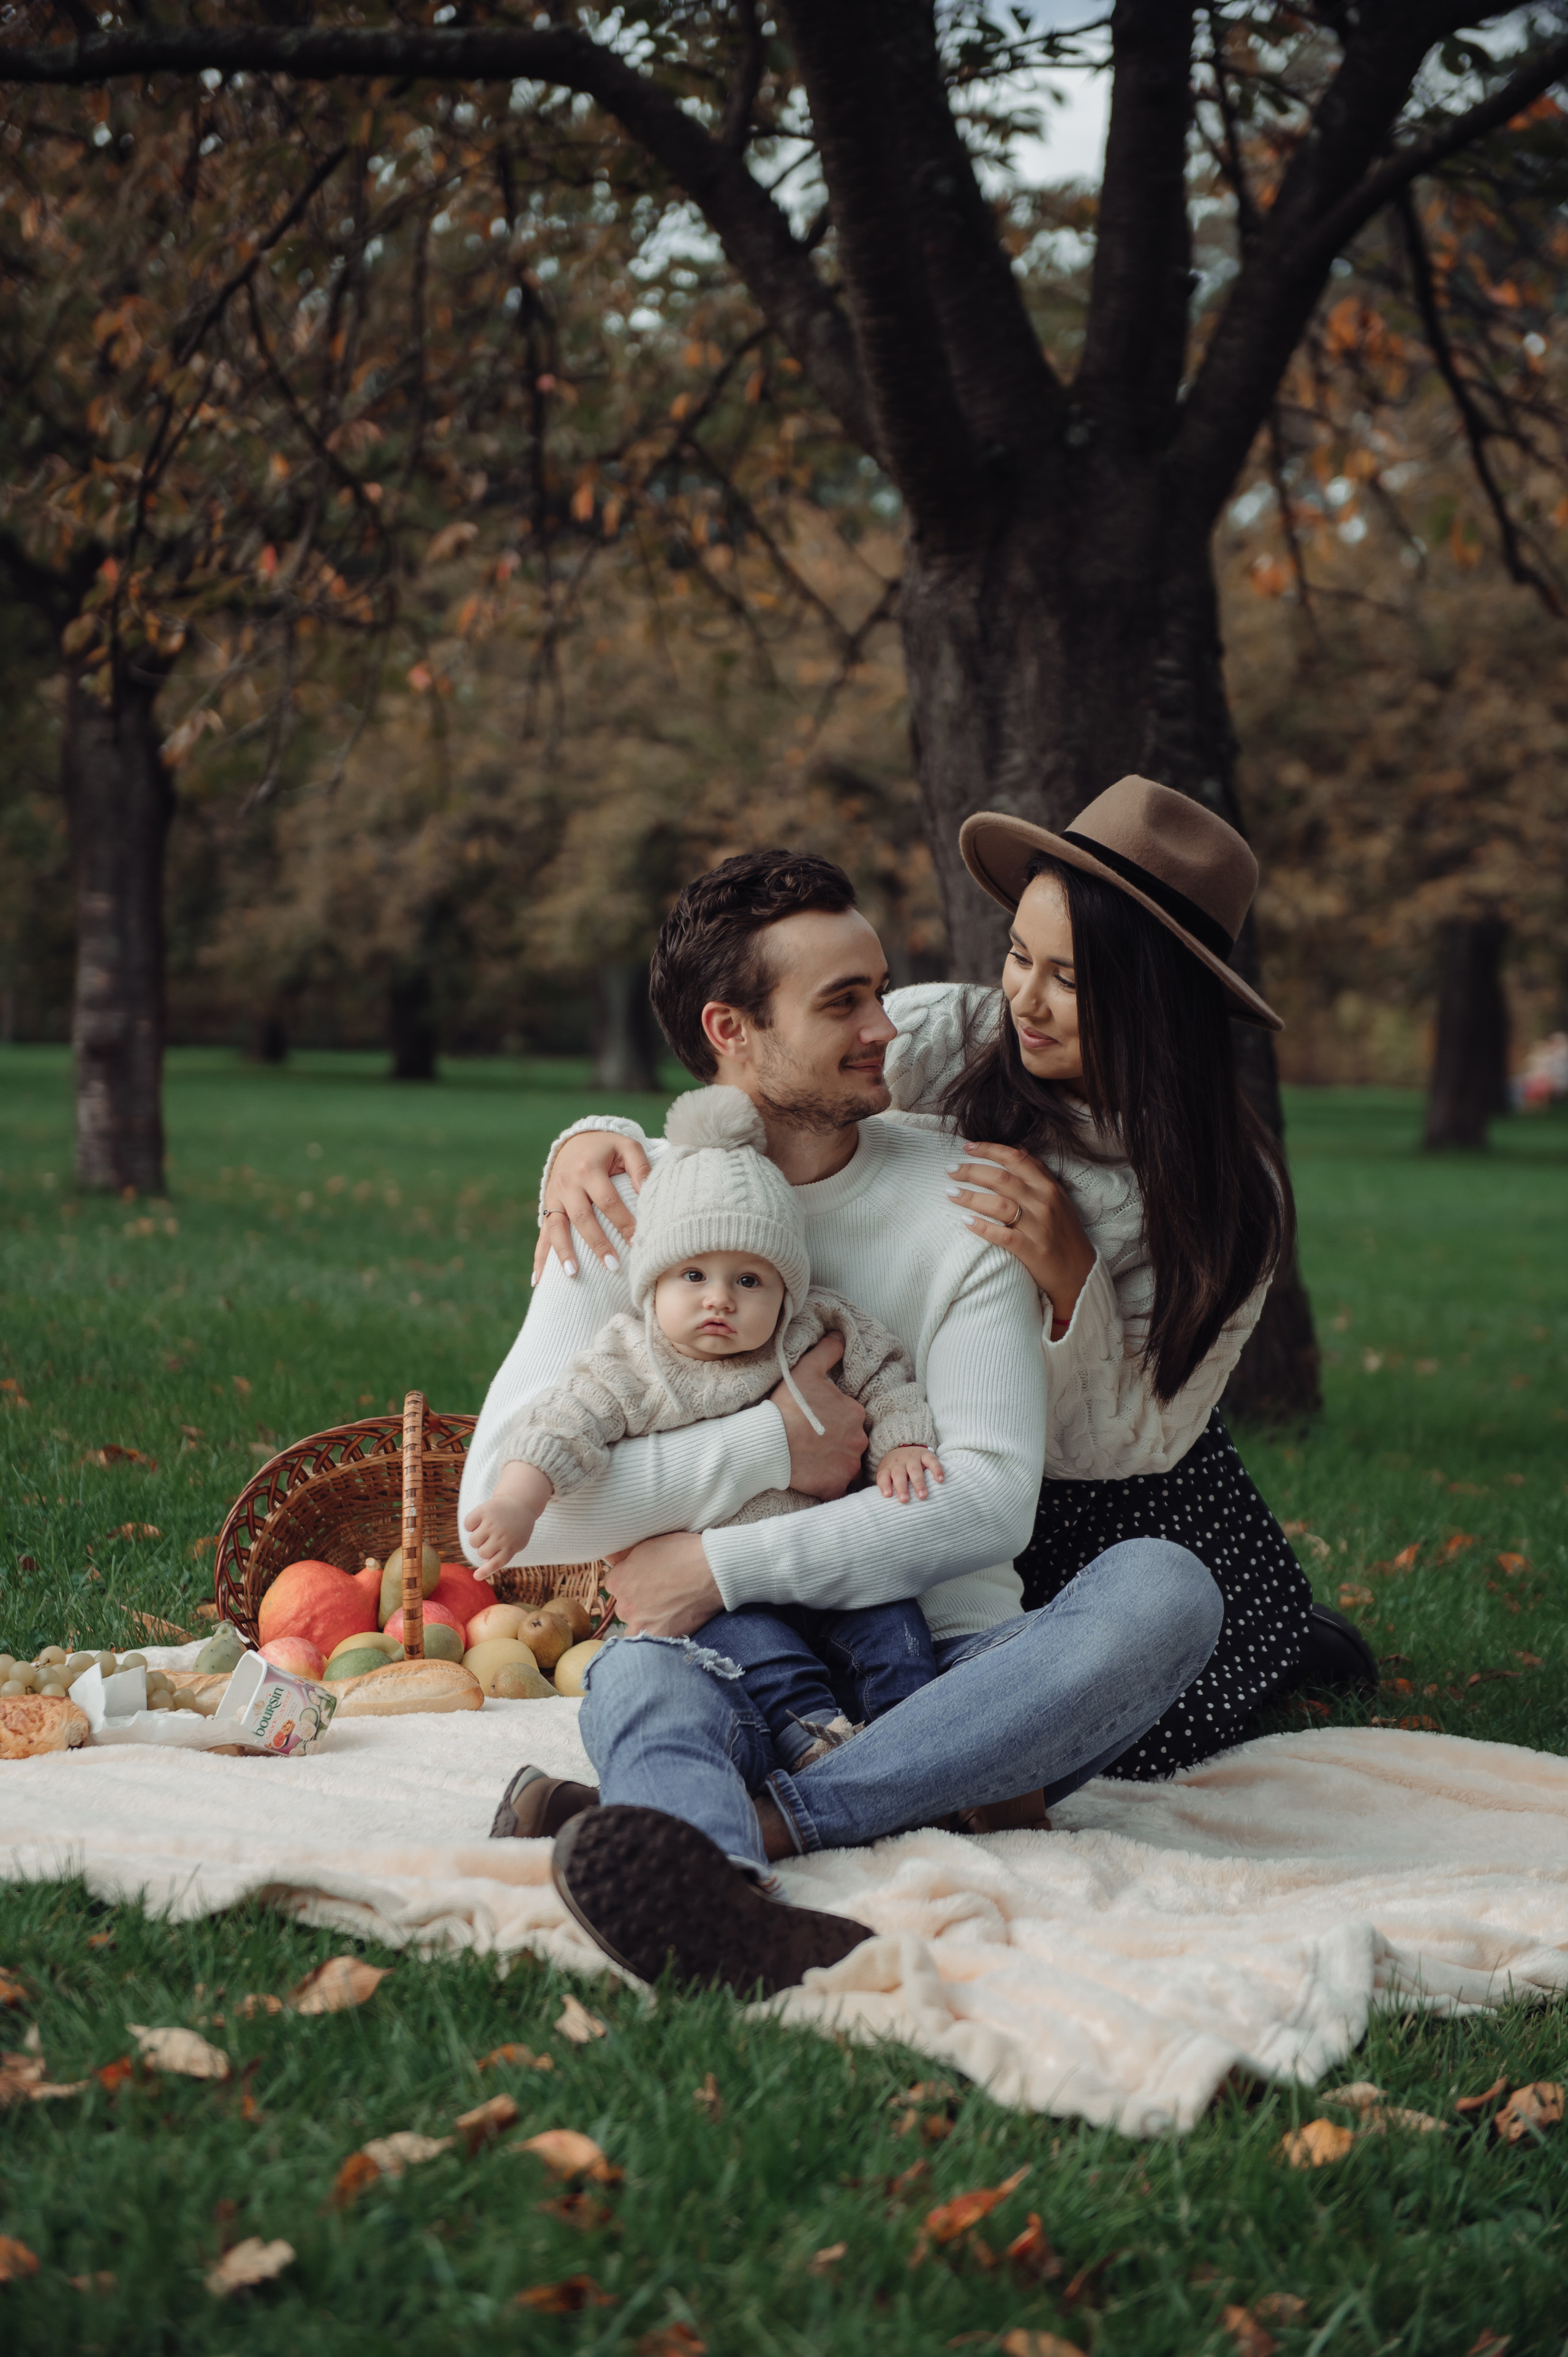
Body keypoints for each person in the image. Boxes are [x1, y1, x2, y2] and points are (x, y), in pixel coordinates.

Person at [462, 846, 1222, 1995]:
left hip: (948, 1672)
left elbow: (989, 1497)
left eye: (880, 989)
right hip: (721, 1655)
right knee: (641, 1681)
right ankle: (733, 1883)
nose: (886, 1029)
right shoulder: (626, 1201)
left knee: (1169, 1591)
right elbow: (511, 1509)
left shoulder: (967, 1194)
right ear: (733, 1029)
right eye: (844, 1004)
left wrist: (718, 1559)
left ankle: (754, 1830)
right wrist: (777, 1445)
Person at [539, 777, 1375, 1795]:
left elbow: (1125, 1444)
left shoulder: (1230, 1196)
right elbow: (752, 1096)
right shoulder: (942, 1037)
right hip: (898, 1469)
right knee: (839, 1682)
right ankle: (886, 1782)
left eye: (1072, 978)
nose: (1025, 997)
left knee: (1141, 1701)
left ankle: (790, 1813)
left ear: (1159, 995)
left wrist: (1074, 1285)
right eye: (1021, 954)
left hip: (1112, 1505)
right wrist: (597, 1140)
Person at [466, 1081, 947, 1780]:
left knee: (895, 1631)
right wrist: (518, 1498)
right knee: (760, 1656)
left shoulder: (818, 1330)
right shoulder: (633, 1362)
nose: (719, 1297)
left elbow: (887, 1375)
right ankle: (820, 1750)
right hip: (716, 1587)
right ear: (653, 1285)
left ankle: (919, 1740)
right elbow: (563, 1425)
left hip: (828, 1558)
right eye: (693, 1274)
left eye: (749, 1280)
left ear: (788, 1290)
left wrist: (902, 1442)